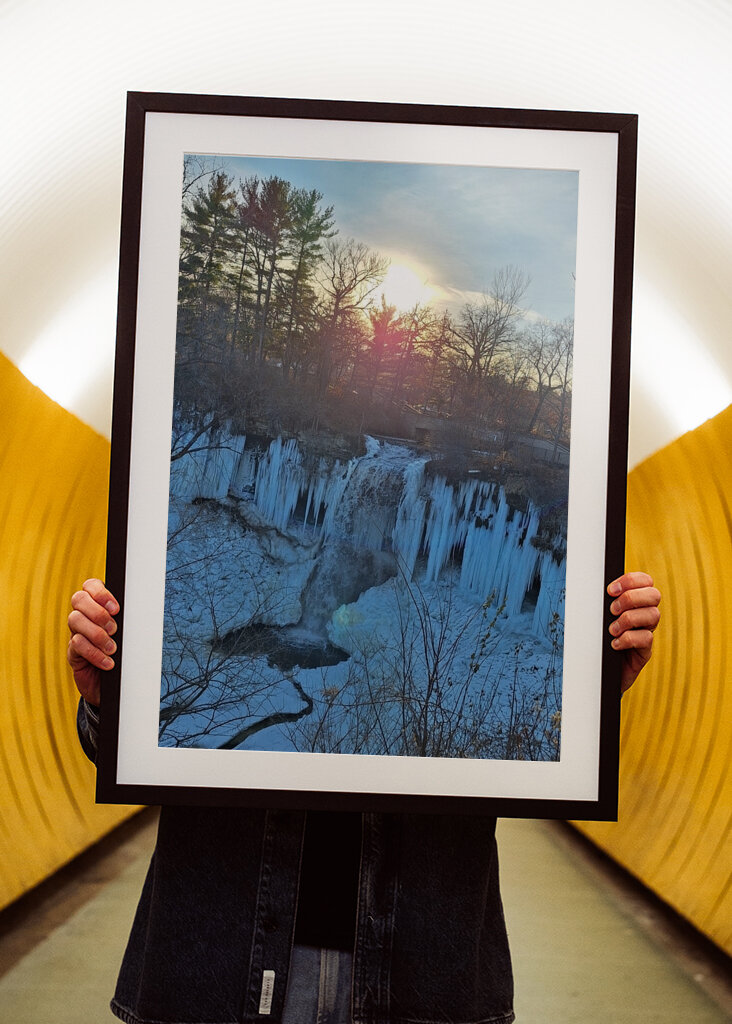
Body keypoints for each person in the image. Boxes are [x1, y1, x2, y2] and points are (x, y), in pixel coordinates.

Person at [68, 572, 661, 1024]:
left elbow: (540, 744)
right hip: (220, 952)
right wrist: (110, 702)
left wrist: (586, 695)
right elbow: (127, 749)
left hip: (422, 964)